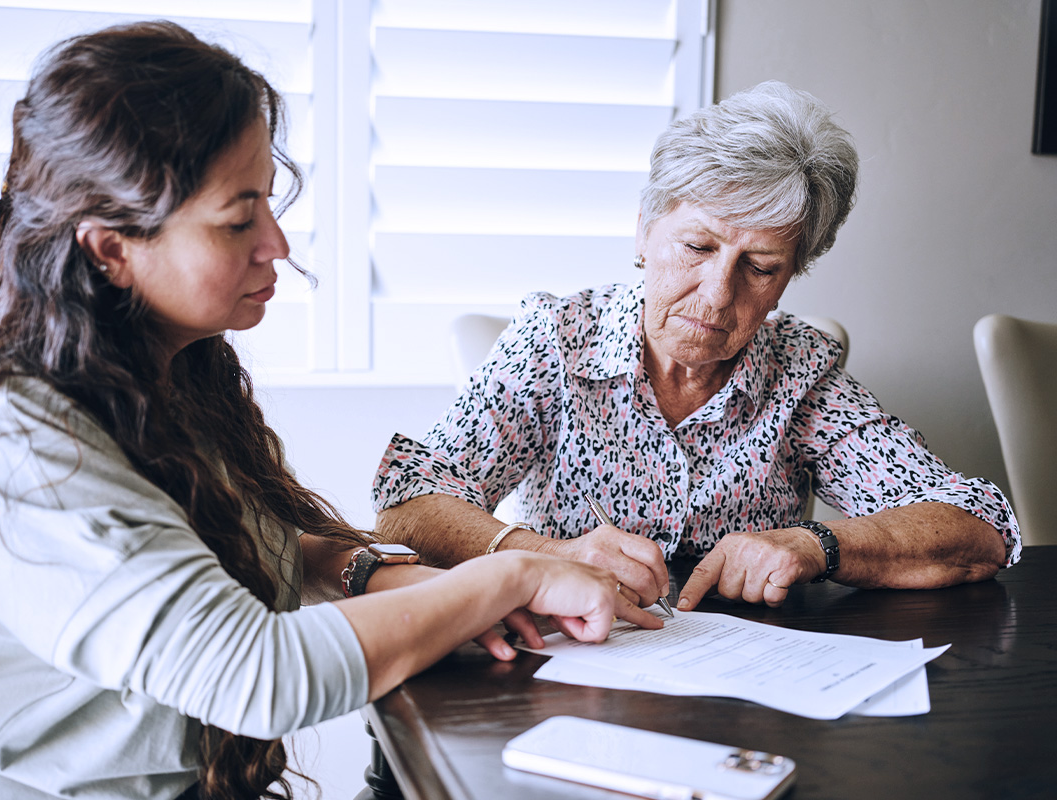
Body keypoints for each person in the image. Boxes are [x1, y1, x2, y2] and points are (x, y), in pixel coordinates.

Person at [0, 22, 652, 800]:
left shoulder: (154, 364)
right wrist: (509, 572)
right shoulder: (9, 433)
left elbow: (223, 545)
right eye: (238, 220)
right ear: (110, 249)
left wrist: (366, 569)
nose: (278, 244)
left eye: (269, 203)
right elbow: (253, 675)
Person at [372, 81, 1020, 616]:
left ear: (789, 278)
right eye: (698, 247)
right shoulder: (556, 342)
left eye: (760, 266)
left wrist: (815, 542)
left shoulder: (802, 372)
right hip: (569, 667)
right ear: (645, 232)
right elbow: (408, 506)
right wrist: (546, 554)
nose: (716, 295)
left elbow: (979, 528)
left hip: (746, 691)